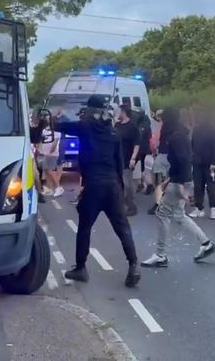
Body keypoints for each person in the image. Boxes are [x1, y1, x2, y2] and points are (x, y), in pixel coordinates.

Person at [55, 96, 140, 288]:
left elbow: (62, 127)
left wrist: (55, 118)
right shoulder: (113, 133)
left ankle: (81, 268)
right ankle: (133, 264)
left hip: (93, 185)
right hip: (112, 185)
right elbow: (119, 164)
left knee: (84, 227)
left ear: (89, 110)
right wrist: (120, 190)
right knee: (122, 227)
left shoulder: (85, 127)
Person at [141, 107, 215, 268]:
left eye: (162, 118)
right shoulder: (180, 134)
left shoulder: (175, 137)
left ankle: (160, 255)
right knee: (179, 215)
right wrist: (171, 179)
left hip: (180, 181)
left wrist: (179, 184)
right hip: (179, 180)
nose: (160, 122)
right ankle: (206, 243)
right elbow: (180, 161)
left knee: (162, 213)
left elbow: (182, 160)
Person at [188, 108, 215, 220]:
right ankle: (199, 208)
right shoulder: (196, 130)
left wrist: (214, 162)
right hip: (198, 162)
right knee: (198, 186)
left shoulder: (214, 131)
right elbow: (192, 145)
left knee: (211, 187)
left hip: (210, 163)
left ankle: (213, 209)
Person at [115, 105, 141, 217]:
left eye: (119, 111)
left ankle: (131, 205)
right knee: (117, 183)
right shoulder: (117, 125)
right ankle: (119, 205)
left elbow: (136, 144)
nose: (117, 113)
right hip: (116, 158)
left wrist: (133, 158)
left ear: (124, 112)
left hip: (126, 158)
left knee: (127, 183)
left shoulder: (132, 127)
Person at [149, 109, 169, 215]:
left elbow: (154, 142)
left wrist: (153, 152)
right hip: (174, 156)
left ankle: (158, 204)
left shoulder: (160, 127)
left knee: (159, 181)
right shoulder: (179, 127)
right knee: (170, 180)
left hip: (161, 155)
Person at [38, 117, 63, 198]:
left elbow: (55, 143)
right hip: (44, 153)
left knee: (50, 170)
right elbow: (41, 140)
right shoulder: (45, 129)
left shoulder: (57, 130)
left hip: (52, 154)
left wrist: (50, 152)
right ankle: (49, 188)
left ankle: (58, 187)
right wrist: (40, 150)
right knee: (45, 171)